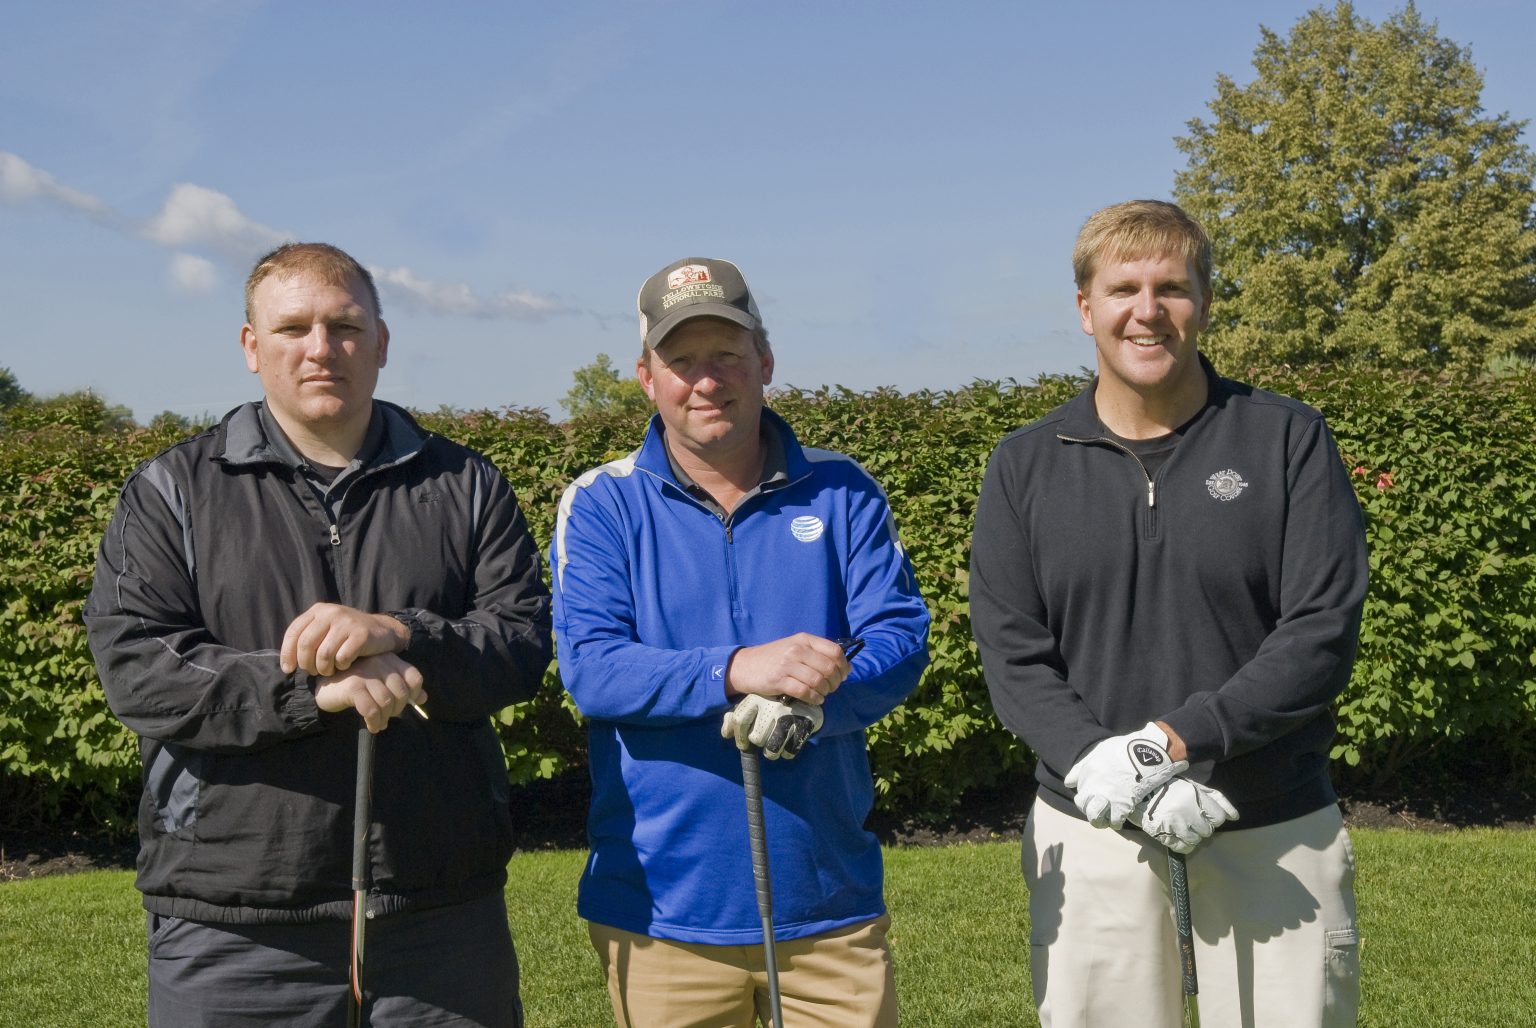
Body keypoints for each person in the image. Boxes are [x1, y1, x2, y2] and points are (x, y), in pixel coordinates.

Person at [84, 242, 553, 1027]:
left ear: (381, 342)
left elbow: (520, 642)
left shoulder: (467, 485)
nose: (321, 348)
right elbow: (140, 667)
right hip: (235, 921)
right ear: (251, 346)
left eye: (345, 326)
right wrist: (315, 689)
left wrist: (401, 635)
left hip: (440, 915)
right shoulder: (171, 491)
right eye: (293, 327)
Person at [969, 200, 1368, 1027]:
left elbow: (1319, 632)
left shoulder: (1287, 439)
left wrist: (1168, 746)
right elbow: (1013, 653)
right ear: (1086, 309)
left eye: (1171, 289)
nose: (1146, 311)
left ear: (1205, 303)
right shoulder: (1024, 464)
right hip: (1093, 830)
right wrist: (1106, 767)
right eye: (1123, 289)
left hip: (1269, 824)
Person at [551, 257, 930, 1027]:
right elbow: (592, 669)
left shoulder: (844, 489)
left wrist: (817, 704)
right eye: (681, 360)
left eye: (727, 354)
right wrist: (734, 669)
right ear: (646, 377)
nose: (706, 380)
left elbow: (899, 636)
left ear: (764, 361)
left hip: (828, 904)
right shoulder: (601, 503)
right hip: (661, 914)